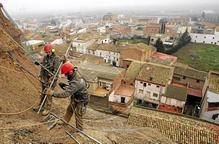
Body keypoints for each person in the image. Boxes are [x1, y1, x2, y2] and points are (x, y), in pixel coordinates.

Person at [46, 62, 89, 131]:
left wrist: (53, 93)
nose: (66, 76)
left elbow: (65, 94)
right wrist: (66, 86)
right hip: (76, 96)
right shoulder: (74, 73)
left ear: (70, 72)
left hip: (82, 100)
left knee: (78, 115)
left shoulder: (76, 82)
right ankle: (65, 121)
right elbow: (73, 88)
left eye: (66, 74)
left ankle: (79, 129)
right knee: (69, 110)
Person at [33, 43, 60, 116]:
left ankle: (47, 108)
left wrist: (51, 79)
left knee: (48, 93)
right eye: (47, 52)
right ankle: (40, 106)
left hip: (52, 79)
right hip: (44, 78)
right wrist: (40, 75)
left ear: (52, 50)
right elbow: (42, 67)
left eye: (49, 52)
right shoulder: (45, 58)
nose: (48, 53)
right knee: (43, 92)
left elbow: (56, 71)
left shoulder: (56, 59)